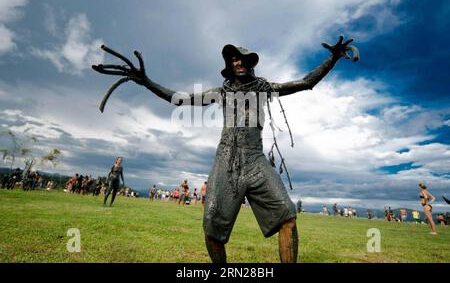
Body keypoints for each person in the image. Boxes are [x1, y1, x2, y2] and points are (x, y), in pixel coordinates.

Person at [93, 35, 357, 263]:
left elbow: (304, 82)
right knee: (212, 230)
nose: (237, 62)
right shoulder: (221, 92)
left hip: (255, 160)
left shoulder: (264, 89)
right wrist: (146, 81)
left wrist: (332, 60)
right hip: (226, 161)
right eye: (232, 60)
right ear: (229, 65)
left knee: (287, 216)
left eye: (241, 58)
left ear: (250, 62)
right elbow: (180, 99)